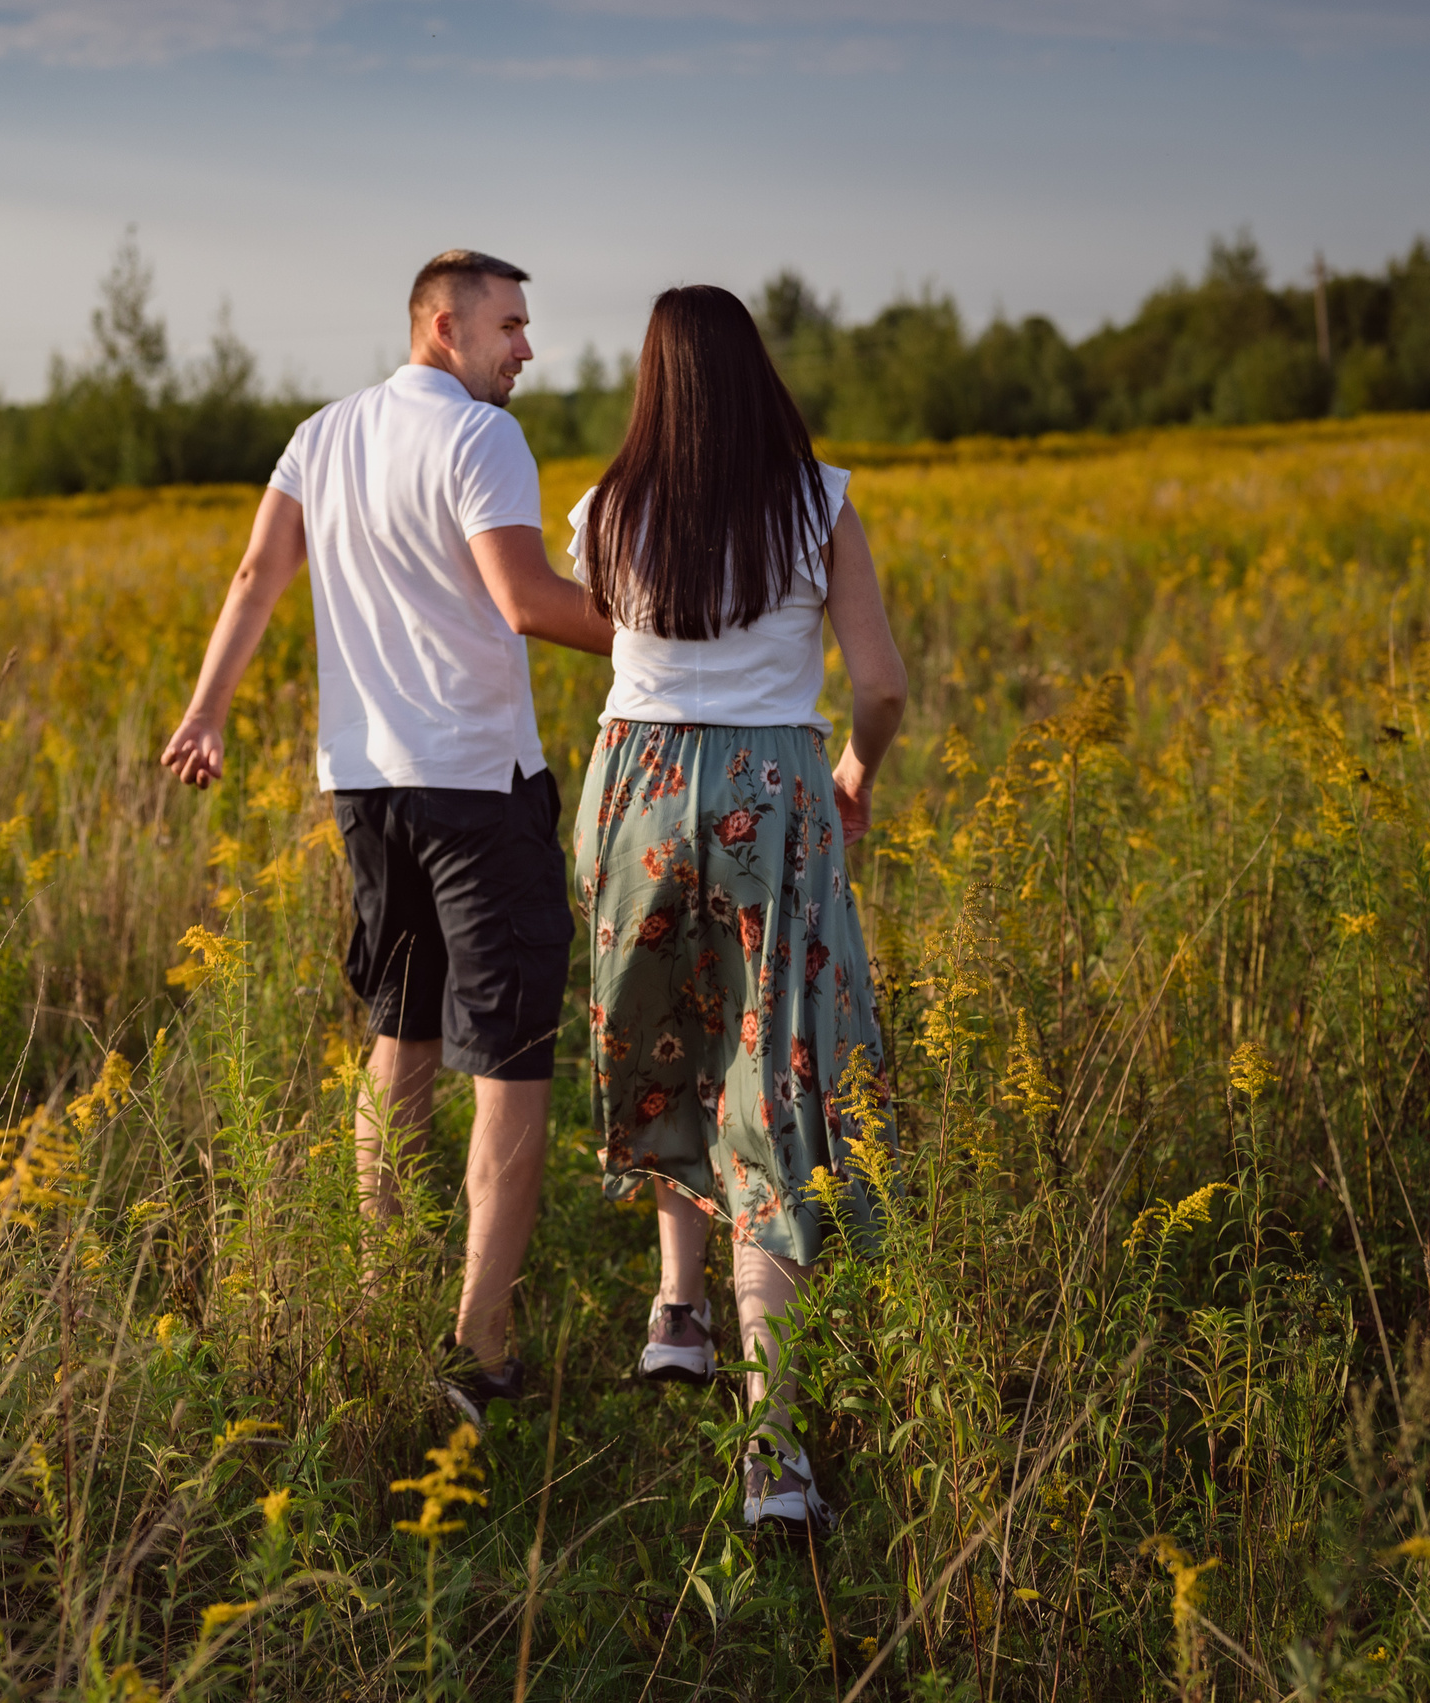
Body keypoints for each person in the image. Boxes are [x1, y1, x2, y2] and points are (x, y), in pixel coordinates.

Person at [161, 250, 614, 1423]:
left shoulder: (321, 435)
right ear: (440, 326)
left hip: (363, 791)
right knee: (510, 1057)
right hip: (474, 784)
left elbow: (260, 571)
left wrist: (206, 709)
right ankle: (483, 1341)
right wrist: (671, 633)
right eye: (509, 325)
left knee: (400, 1033)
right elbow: (526, 600)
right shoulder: (478, 437)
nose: (525, 347)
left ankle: (380, 1291)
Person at [569, 285, 906, 1529]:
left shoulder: (605, 511)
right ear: (757, 372)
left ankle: (675, 1316)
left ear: (652, 383)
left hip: (639, 792)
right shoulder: (816, 499)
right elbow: (881, 684)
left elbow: (625, 649)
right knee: (770, 1082)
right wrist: (856, 769)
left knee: (672, 1044)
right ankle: (772, 1454)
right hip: (772, 792)